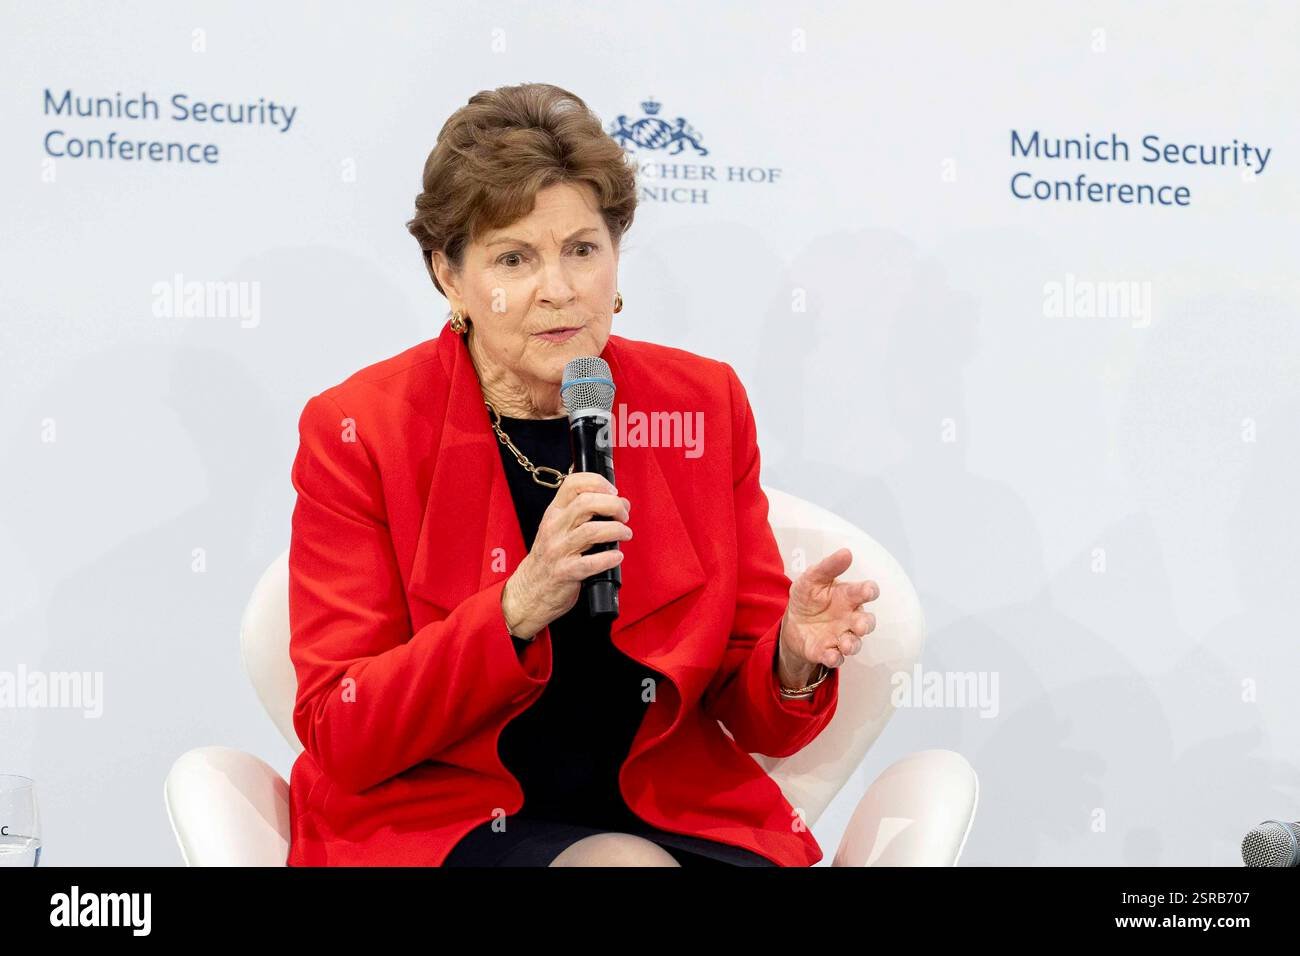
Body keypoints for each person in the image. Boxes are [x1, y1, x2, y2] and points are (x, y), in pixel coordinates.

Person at [285, 82, 879, 867]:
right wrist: (515, 606)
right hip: (446, 819)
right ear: (449, 277)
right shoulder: (364, 431)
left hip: (669, 810)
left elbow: (751, 712)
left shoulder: (701, 405)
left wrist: (791, 656)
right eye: (514, 259)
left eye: (582, 250)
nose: (560, 289)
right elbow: (342, 726)